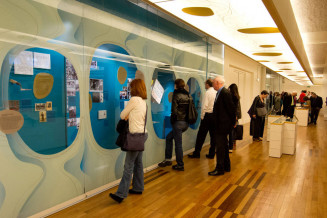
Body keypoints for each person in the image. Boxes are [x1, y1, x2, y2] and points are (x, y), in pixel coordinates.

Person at [109, 79, 147, 203]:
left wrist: (127, 115)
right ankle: (138, 187)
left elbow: (122, 115)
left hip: (134, 136)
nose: (130, 89)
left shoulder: (134, 100)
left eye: (131, 87)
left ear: (134, 88)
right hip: (142, 135)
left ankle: (121, 194)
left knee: (128, 166)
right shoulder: (143, 102)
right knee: (138, 163)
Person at [158, 79, 192, 171]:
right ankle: (168, 159)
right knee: (169, 137)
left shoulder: (176, 95)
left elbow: (174, 111)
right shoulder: (188, 95)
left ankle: (180, 164)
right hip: (185, 123)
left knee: (178, 145)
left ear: (176, 85)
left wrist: (173, 122)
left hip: (178, 123)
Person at [208, 76, 236, 176]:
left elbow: (231, 110)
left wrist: (232, 124)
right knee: (223, 146)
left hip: (222, 126)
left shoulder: (224, 93)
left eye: (214, 83)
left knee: (220, 148)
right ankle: (226, 166)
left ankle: (219, 169)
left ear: (218, 83)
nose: (212, 85)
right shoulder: (221, 92)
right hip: (221, 125)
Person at [188, 79, 217, 159]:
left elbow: (204, 106)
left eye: (205, 83)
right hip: (214, 116)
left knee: (201, 136)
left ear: (207, 84)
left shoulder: (208, 92)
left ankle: (197, 153)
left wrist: (202, 117)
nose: (204, 85)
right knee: (213, 136)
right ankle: (211, 154)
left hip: (207, 116)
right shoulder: (216, 92)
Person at [227, 83, 241, 153]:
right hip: (234, 116)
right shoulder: (237, 96)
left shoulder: (230, 96)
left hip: (230, 116)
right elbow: (237, 108)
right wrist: (236, 116)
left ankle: (228, 146)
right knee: (231, 132)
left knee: (228, 132)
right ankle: (231, 147)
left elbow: (232, 107)